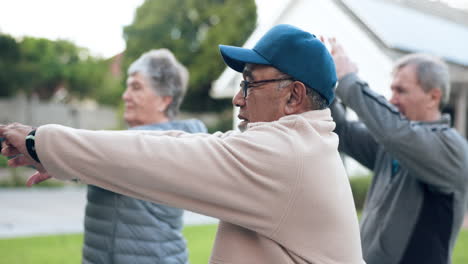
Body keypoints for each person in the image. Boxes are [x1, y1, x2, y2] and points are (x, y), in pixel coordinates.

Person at [0, 24, 365, 264]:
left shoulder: (288, 155)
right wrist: (60, 156)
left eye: (250, 84)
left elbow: (161, 157)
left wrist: (40, 141)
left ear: (294, 97)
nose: (238, 99)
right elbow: (175, 144)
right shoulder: (301, 145)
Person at [326, 38, 468, 264]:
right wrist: (323, 84)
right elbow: (341, 131)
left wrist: (348, 80)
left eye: (401, 90)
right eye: (392, 89)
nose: (392, 99)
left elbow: (394, 132)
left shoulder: (451, 148)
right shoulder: (391, 143)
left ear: (434, 97)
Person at [82, 49, 207, 264]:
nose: (125, 95)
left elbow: (94, 155)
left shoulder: (166, 148)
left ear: (163, 100)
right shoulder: (125, 144)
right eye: (127, 86)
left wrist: (45, 147)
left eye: (136, 87)